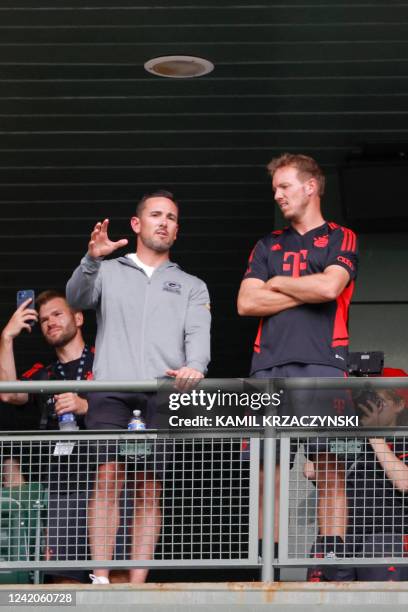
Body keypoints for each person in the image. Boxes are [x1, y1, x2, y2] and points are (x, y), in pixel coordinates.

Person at [66, 189, 211, 584]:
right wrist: (92, 259)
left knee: (149, 489)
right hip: (112, 387)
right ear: (137, 223)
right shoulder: (109, 270)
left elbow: (198, 335)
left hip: (163, 392)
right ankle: (100, 578)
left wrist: (195, 366)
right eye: (156, 214)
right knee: (108, 477)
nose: (164, 222)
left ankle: (136, 584)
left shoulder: (191, 284)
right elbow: (75, 297)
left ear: (177, 231)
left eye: (172, 217)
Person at [237, 153, 358, 564]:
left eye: (284, 186)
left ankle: (332, 562)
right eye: (275, 189)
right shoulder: (267, 243)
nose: (278, 195)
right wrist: (305, 286)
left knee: (329, 464)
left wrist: (278, 283)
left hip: (324, 362)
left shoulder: (342, 237)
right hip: (267, 366)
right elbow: (246, 302)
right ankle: (265, 563)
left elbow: (329, 289)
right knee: (266, 470)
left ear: (310, 187)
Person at [0, 289, 94, 583]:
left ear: (78, 318)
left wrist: (85, 405)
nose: (50, 322)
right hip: (63, 490)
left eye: (57, 314)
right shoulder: (45, 374)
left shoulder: (106, 359)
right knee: (63, 581)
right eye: (43, 320)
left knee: (116, 579)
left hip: (109, 484)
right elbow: (8, 395)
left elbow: (137, 406)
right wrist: (7, 337)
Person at [305, 370, 408, 580]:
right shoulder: (350, 438)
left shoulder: (404, 438)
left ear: (399, 404)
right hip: (342, 536)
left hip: (387, 539)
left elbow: (404, 482)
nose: (368, 406)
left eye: (377, 401)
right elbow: (310, 470)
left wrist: (373, 435)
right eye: (363, 400)